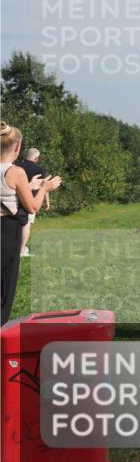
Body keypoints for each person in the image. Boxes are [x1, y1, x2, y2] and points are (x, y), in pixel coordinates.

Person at [1, 123, 62, 323]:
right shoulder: (15, 172)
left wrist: (27, 186)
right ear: (17, 147)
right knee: (4, 286)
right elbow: (32, 207)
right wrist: (44, 188)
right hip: (6, 233)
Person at [16, 147, 48, 257]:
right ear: (36, 158)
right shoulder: (39, 169)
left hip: (15, 198)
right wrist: (46, 202)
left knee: (14, 223)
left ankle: (11, 247)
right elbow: (44, 186)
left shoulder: (16, 166)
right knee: (26, 224)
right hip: (30, 199)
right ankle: (21, 250)